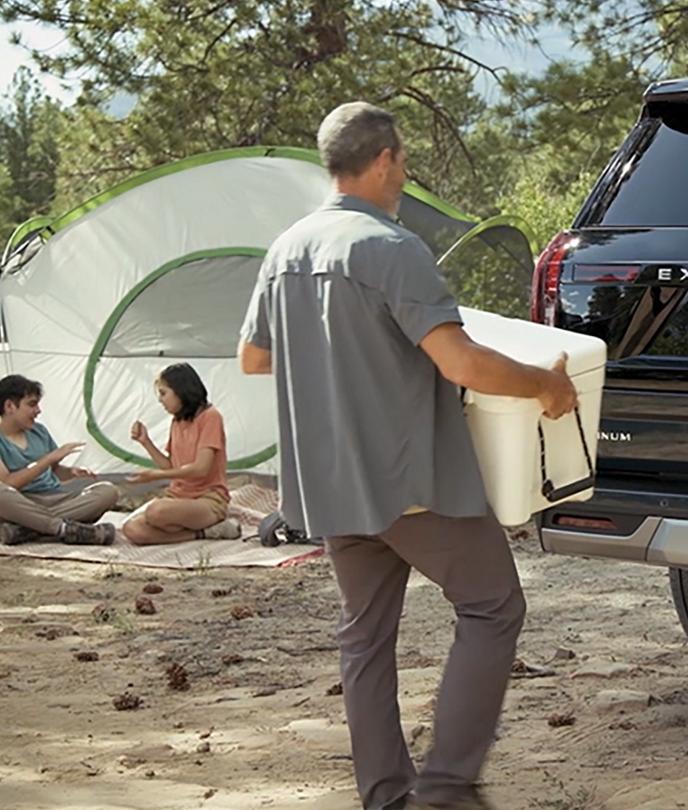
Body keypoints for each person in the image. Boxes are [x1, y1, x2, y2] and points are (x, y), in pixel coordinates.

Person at [238, 101, 577, 810]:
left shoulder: (287, 248)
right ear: (386, 159)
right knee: (492, 607)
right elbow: (461, 365)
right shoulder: (392, 248)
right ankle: (447, 788)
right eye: (404, 160)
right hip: (409, 480)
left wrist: (335, 357)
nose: (405, 172)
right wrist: (546, 385)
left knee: (364, 638)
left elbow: (253, 357)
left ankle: (387, 798)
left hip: (333, 485)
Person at [121, 363, 242, 545]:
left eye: (163, 393)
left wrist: (156, 476)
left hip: (208, 500)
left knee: (156, 511)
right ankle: (206, 533)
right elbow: (172, 466)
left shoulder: (210, 417)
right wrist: (146, 442)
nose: (160, 400)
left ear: (181, 390)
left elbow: (201, 469)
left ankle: (193, 523)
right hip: (177, 498)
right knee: (131, 529)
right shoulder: (177, 421)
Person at [0, 374, 118, 545]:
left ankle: (28, 529)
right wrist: (47, 459)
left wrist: (71, 472)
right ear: (10, 406)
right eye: (32, 404)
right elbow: (8, 484)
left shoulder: (39, 431)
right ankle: (62, 528)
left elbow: (55, 470)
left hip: (55, 498)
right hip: (21, 502)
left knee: (108, 491)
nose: (38, 411)